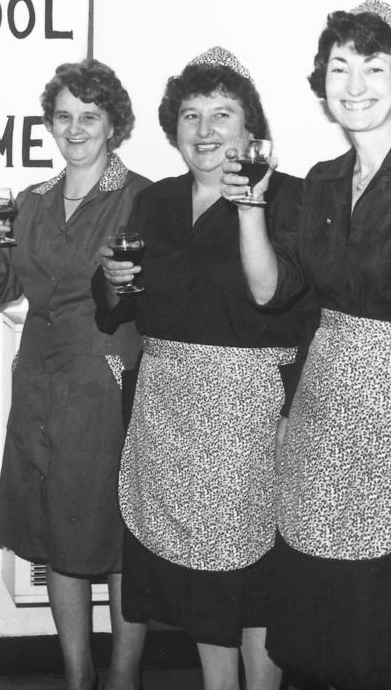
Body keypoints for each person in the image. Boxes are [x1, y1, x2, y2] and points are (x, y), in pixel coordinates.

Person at [224, 0, 391, 689]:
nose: (355, 84)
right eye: (339, 67)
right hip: (323, 423)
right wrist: (251, 210)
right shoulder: (320, 183)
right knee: (326, 629)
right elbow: (270, 293)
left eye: (374, 66)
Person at [95, 48, 315, 690]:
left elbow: (301, 308)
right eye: (191, 115)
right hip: (167, 407)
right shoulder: (156, 203)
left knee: (255, 579)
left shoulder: (291, 197)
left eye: (224, 114)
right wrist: (110, 281)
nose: (206, 130)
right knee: (201, 581)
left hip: (251, 409)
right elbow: (118, 306)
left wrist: (296, 412)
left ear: (251, 130)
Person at [0, 59, 151, 690]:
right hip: (39, 377)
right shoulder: (32, 201)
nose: (75, 128)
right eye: (64, 116)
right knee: (53, 530)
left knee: (114, 532)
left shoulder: (142, 197)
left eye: (89, 117)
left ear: (113, 125)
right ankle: (78, 676)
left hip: (105, 377)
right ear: (49, 122)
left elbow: (153, 294)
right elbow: (2, 290)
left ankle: (122, 676)